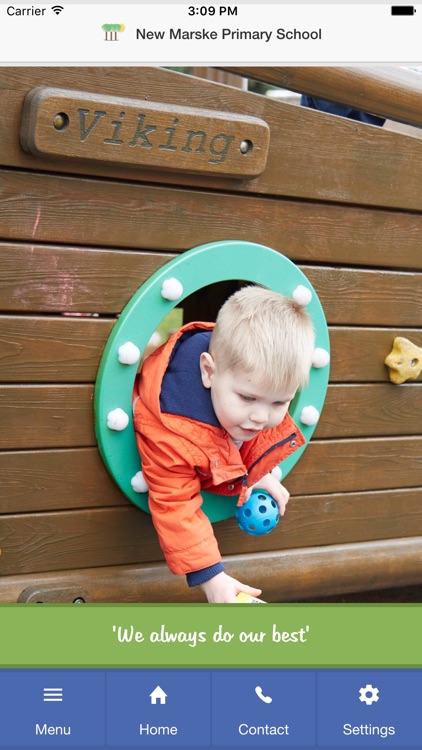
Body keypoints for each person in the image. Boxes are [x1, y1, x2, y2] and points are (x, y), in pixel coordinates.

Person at [133, 286, 315, 603]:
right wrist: (212, 578)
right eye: (248, 398)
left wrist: (258, 472)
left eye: (279, 402)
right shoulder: (171, 429)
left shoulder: (241, 391)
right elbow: (175, 503)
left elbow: (231, 442)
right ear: (208, 371)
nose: (260, 416)